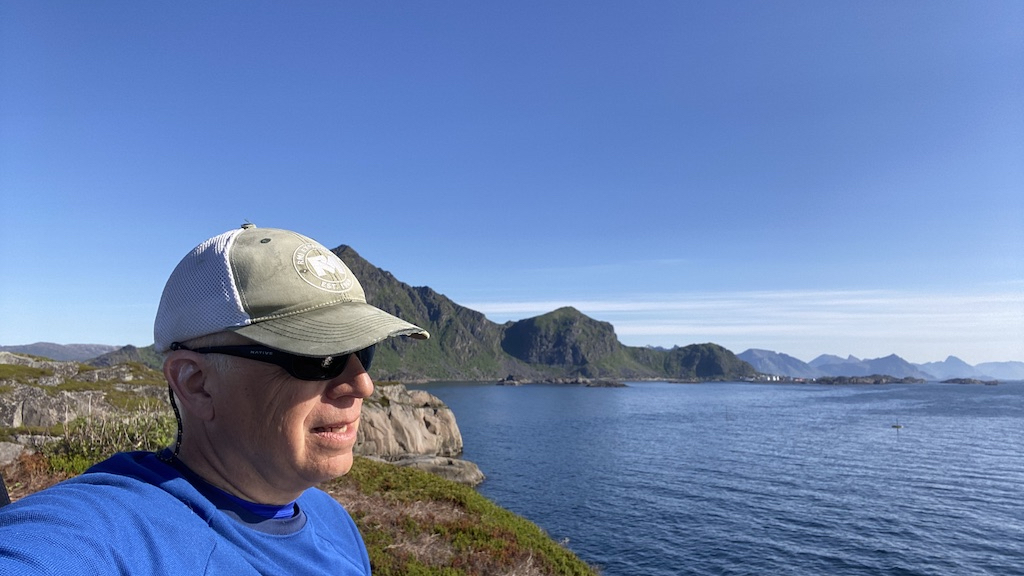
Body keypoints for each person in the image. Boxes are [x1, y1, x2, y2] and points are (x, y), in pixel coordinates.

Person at [0, 224, 429, 575]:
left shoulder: (333, 521)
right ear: (196, 383)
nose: (362, 384)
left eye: (363, 352)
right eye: (322, 357)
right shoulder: (101, 534)